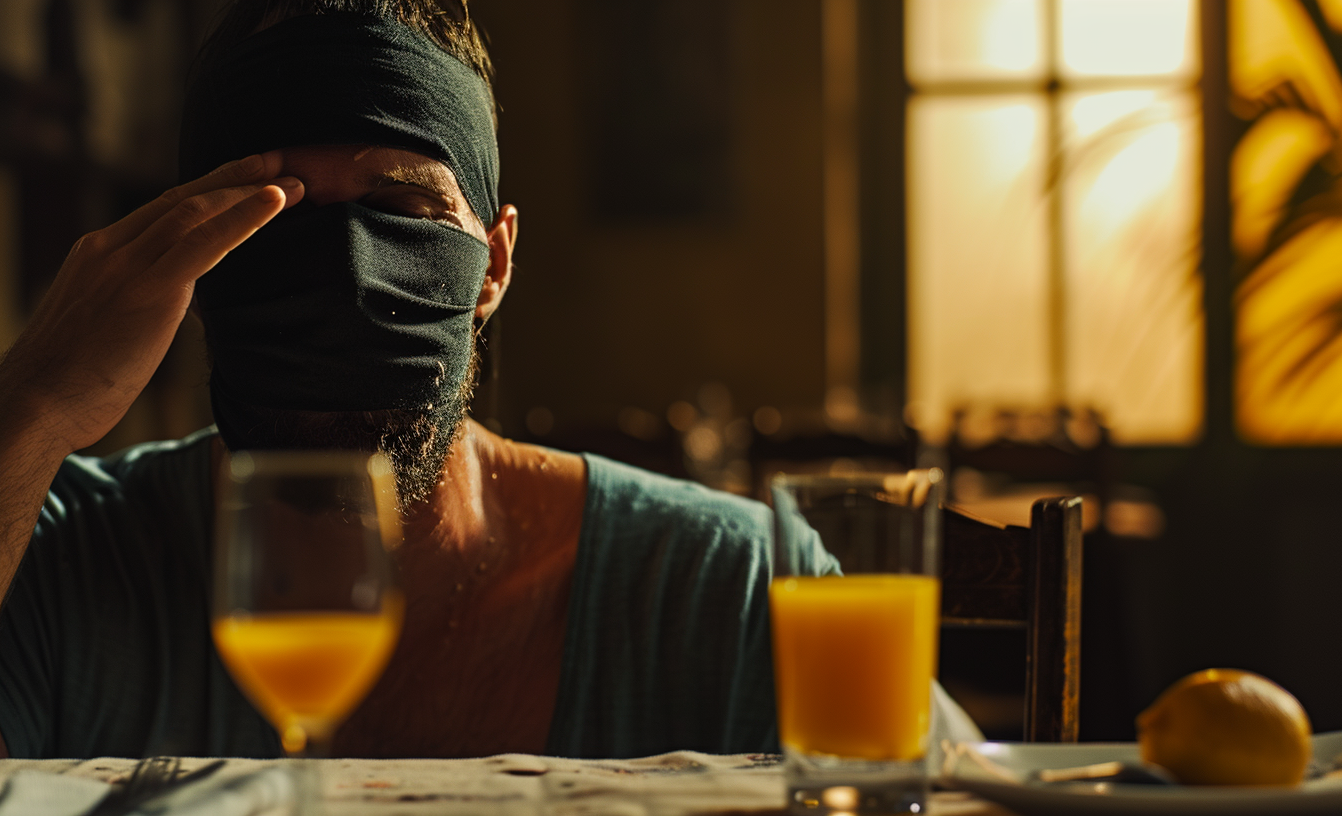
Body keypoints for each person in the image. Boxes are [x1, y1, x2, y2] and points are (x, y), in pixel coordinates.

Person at [0, 0, 977, 760]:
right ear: (179, 260)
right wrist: (32, 404)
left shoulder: (731, 589)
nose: (344, 271)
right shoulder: (48, 557)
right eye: (269, 211)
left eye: (404, 208)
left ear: (495, 265)